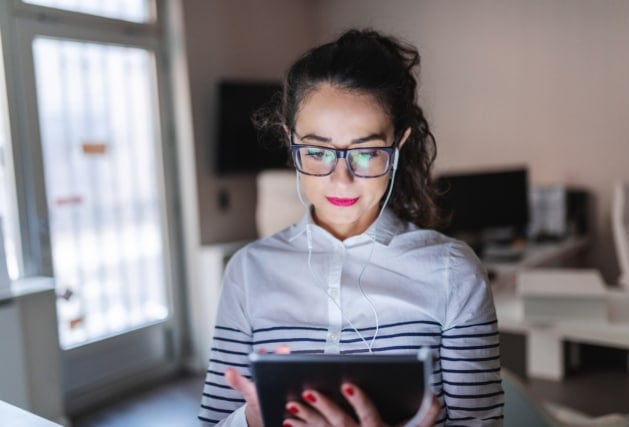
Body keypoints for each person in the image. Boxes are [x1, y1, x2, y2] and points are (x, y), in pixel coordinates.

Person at [199, 28, 503, 426]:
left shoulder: (454, 272)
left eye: (366, 152)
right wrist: (251, 421)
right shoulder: (248, 271)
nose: (341, 180)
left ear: (398, 146)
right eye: (317, 151)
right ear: (291, 144)